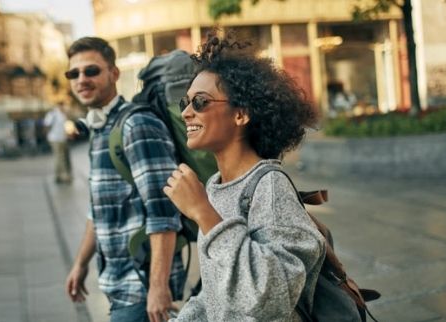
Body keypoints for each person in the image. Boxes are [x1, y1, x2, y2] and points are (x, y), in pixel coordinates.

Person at [162, 31, 326, 321]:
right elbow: (218, 290)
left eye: (200, 102)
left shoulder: (269, 188)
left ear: (241, 114)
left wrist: (203, 213)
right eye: (184, 103)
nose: (187, 112)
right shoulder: (215, 187)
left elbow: (271, 297)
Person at [63, 37, 185, 322]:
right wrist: (81, 263)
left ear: (114, 74)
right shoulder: (101, 128)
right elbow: (99, 210)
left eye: (91, 70)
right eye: (73, 73)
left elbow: (163, 212)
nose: (81, 79)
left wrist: (158, 287)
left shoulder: (136, 125)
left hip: (141, 289)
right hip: (116, 283)